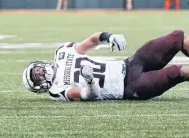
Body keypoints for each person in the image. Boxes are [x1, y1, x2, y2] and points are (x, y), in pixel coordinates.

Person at [23, 30, 189, 101]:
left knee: (177, 38)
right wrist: (89, 80)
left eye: (37, 71)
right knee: (178, 72)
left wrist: (108, 37)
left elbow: (91, 41)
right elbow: (89, 96)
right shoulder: (57, 90)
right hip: (130, 87)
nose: (41, 74)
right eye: (37, 78)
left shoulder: (62, 52)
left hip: (130, 64)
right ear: (40, 88)